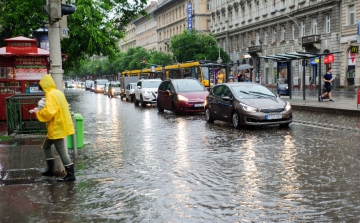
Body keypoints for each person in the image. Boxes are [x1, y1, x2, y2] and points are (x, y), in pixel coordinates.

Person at [33, 74, 76, 182]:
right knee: (46, 146)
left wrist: (38, 112)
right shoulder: (57, 92)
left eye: (42, 88)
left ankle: (71, 175)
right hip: (59, 125)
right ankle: (51, 170)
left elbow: (49, 112)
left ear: (45, 86)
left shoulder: (50, 94)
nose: (42, 90)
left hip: (56, 126)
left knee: (61, 150)